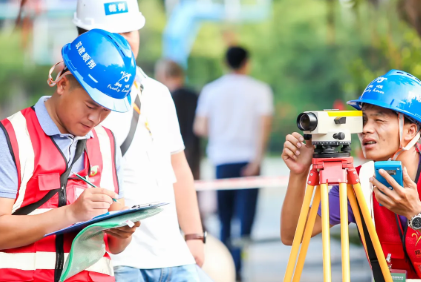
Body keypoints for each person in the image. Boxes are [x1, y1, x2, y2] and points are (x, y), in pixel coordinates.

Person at [280, 70, 421, 281]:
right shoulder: (358, 181)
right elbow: (291, 235)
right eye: (363, 120)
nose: (366, 129)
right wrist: (299, 174)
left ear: (411, 130)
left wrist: (416, 213)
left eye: (379, 120)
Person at [0, 29, 139, 281]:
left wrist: (123, 232)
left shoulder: (107, 142)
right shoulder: (9, 137)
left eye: (106, 111)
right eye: (90, 106)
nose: (95, 118)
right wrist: (71, 214)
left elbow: (114, 247)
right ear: (62, 84)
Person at [73, 1, 206, 281]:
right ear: (84, 36)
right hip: (119, 262)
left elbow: (178, 167)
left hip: (175, 255)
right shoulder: (76, 100)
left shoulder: (157, 93)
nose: (125, 42)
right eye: (113, 35)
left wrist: (194, 234)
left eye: (130, 32)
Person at [194, 46, 274, 280]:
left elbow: (200, 127)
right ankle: (239, 264)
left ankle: (228, 266)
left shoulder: (211, 90)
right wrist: (257, 159)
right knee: (246, 217)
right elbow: (265, 126)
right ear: (246, 63)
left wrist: (221, 133)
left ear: (225, 63)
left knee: (225, 219)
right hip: (250, 160)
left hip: (222, 159)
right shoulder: (260, 90)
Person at [155, 58, 201, 181]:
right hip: (194, 154)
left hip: (172, 156)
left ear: (164, 75)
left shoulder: (164, 99)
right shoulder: (195, 96)